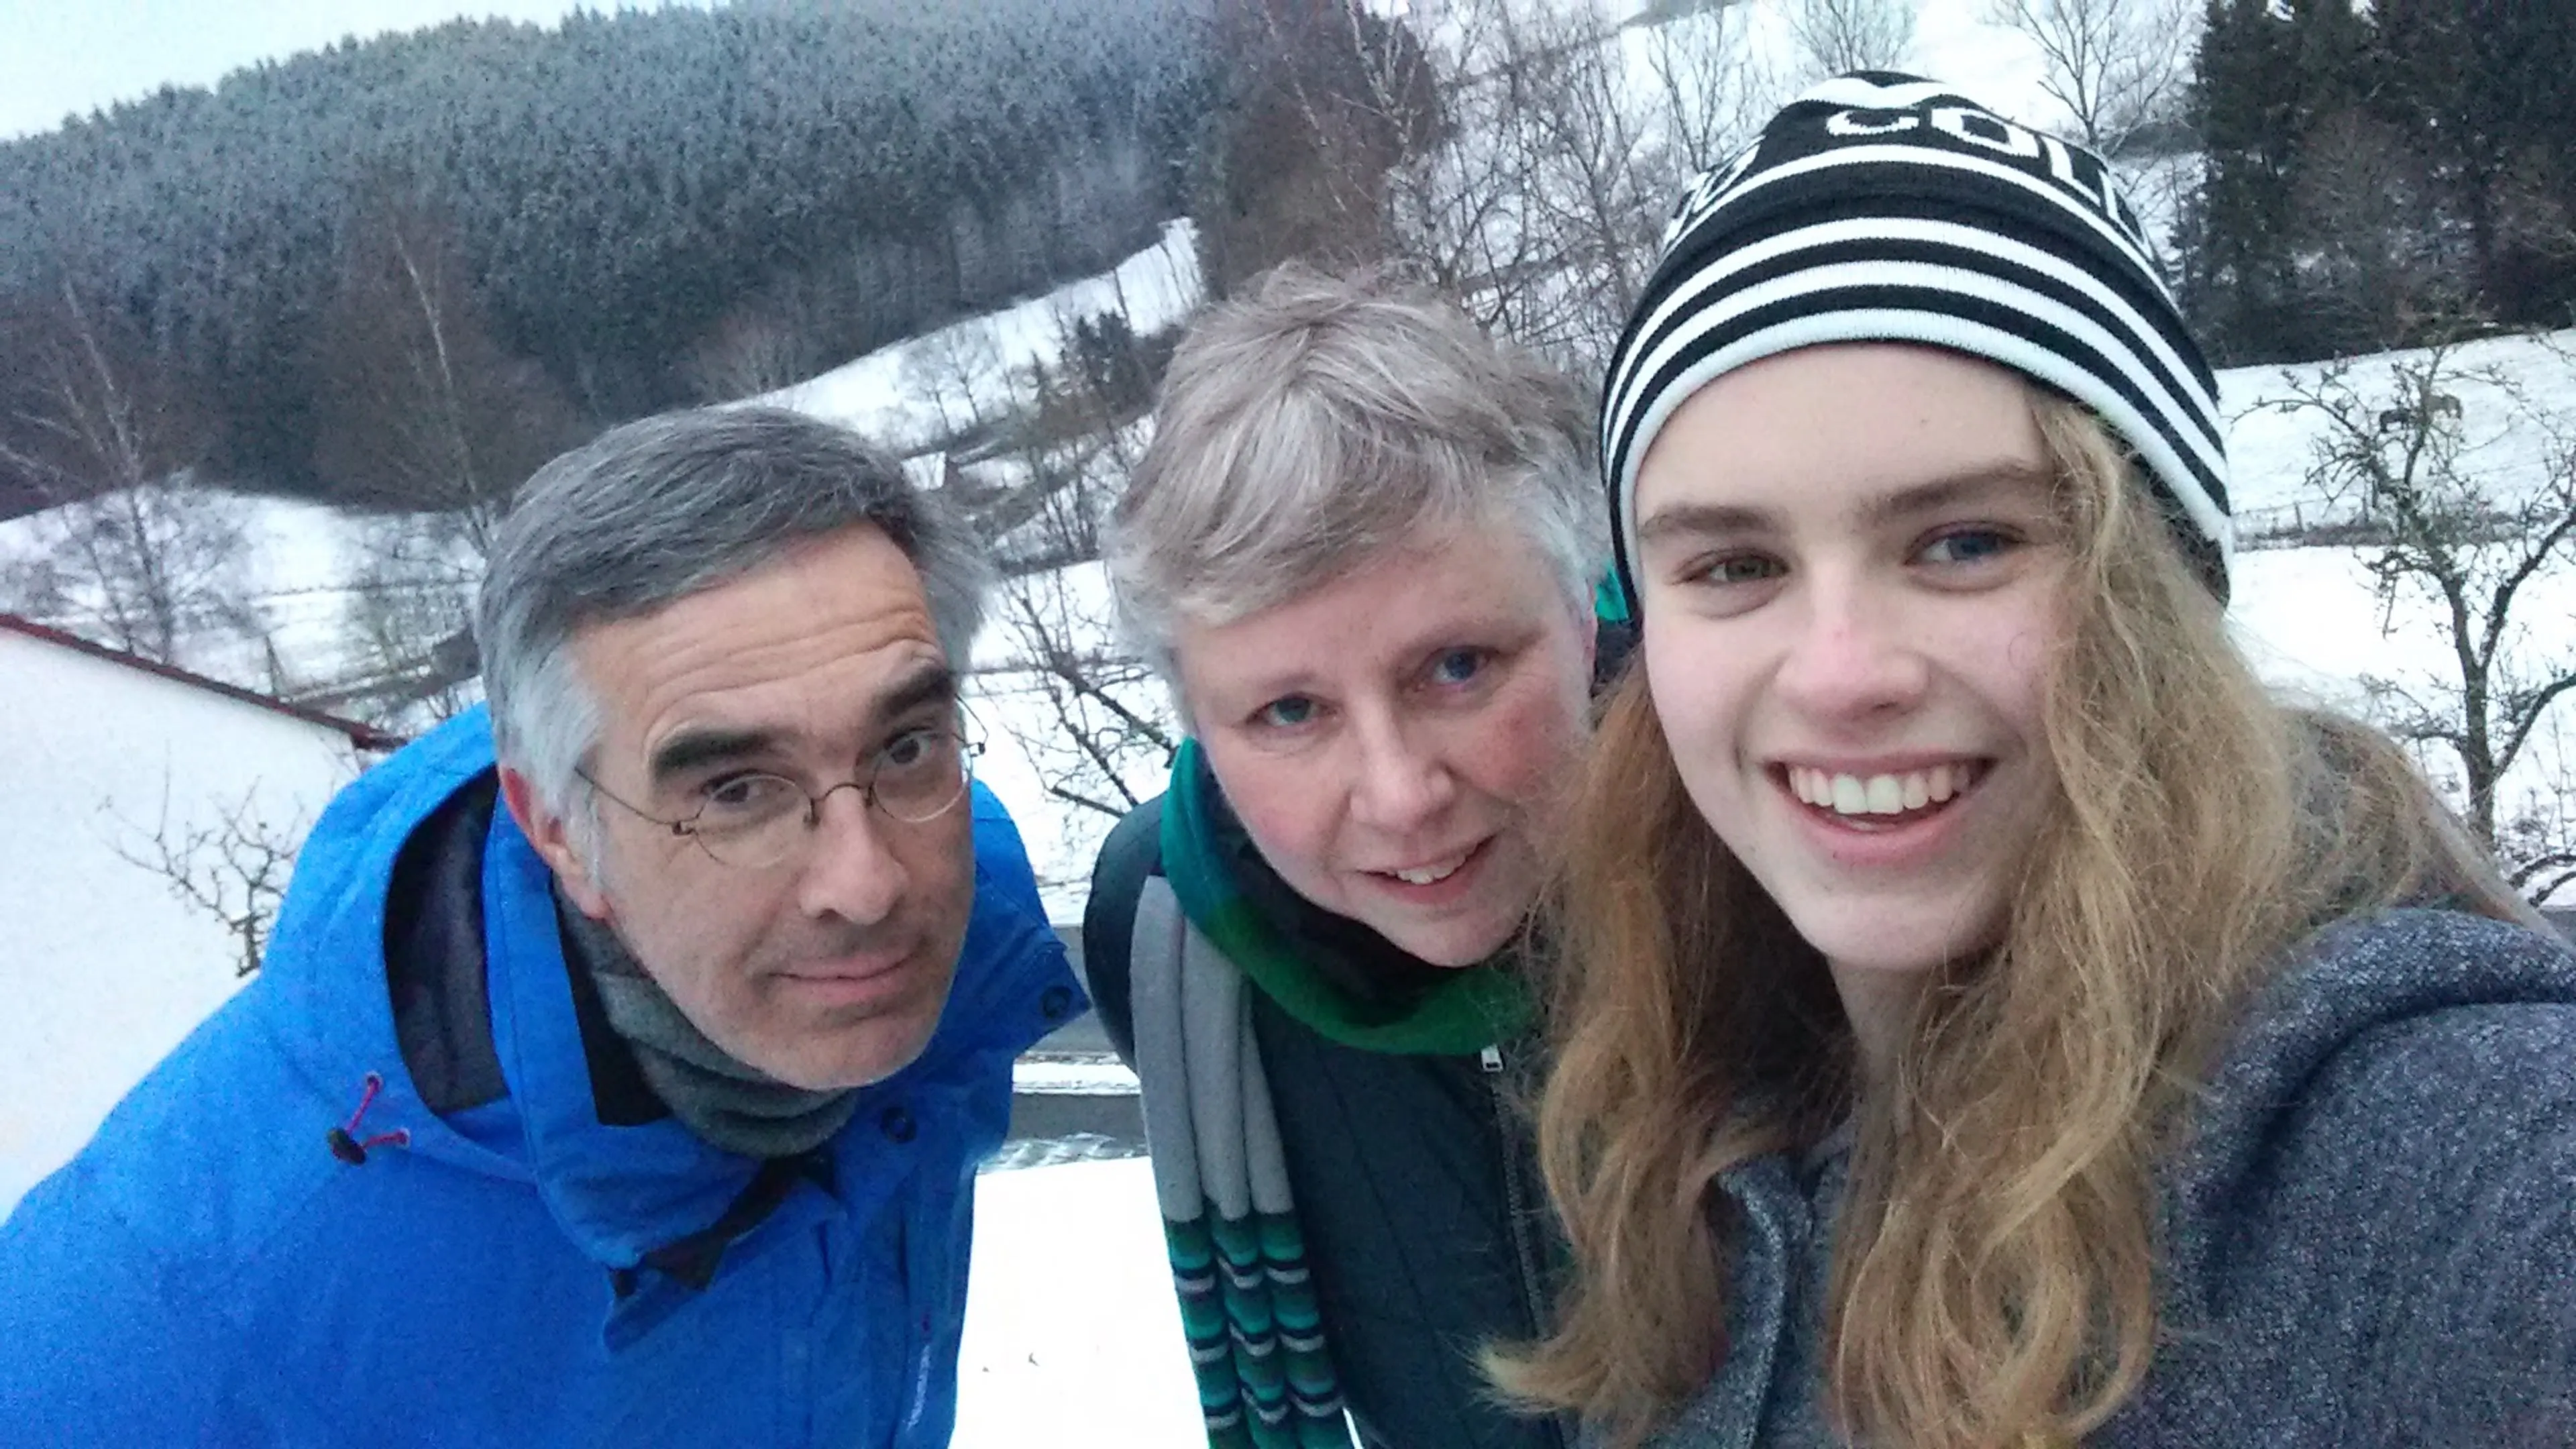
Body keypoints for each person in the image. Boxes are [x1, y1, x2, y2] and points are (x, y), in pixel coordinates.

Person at [1488, 73, 2576, 1449]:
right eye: (1737, 564)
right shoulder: (1703, 1112)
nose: (1838, 673)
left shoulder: (2415, 1142)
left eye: (1965, 543)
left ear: (2158, 589)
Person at [0, 407, 1085, 1446]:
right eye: (735, 793)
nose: (868, 884)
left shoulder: (940, 962)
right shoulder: (166, 1314)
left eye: (902, 746)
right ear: (559, 829)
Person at [1082, 265, 1607, 1449]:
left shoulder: (1776, 878)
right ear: (1198, 731)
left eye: (1459, 667)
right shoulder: (1178, 940)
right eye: (1289, 713)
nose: (1402, 795)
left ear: (1583, 621)